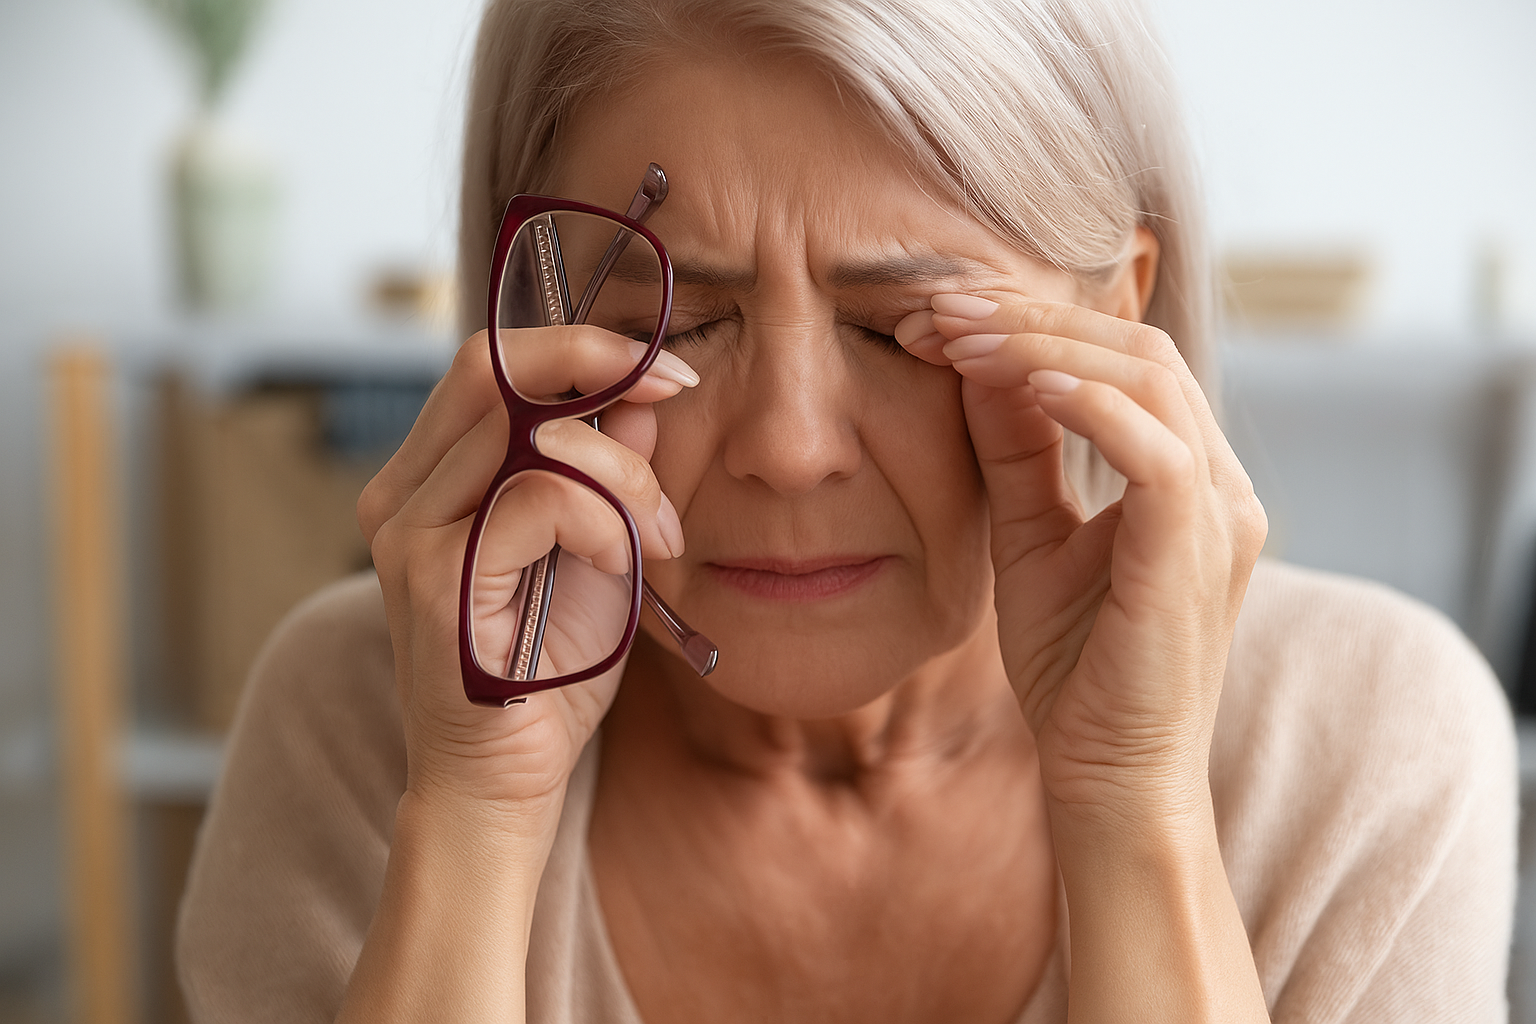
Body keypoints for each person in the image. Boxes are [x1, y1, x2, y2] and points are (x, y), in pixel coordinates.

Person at [176, 0, 1518, 1021]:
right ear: (533, 320)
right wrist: (472, 816)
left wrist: (1134, 803)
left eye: (902, 327)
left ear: (1118, 315)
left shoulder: (1368, 748)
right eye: (678, 319)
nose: (790, 449)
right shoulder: (361, 724)